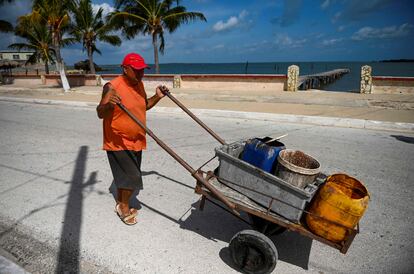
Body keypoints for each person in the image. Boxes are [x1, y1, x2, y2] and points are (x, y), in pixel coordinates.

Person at [97, 52, 169, 225]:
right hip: (117, 140)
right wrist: (109, 105)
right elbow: (100, 112)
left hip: (136, 139)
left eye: (142, 70)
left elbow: (144, 106)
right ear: (125, 68)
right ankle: (123, 207)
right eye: (136, 70)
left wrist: (158, 96)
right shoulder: (112, 86)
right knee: (132, 176)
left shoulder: (139, 85)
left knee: (125, 177)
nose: (140, 74)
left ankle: (122, 203)